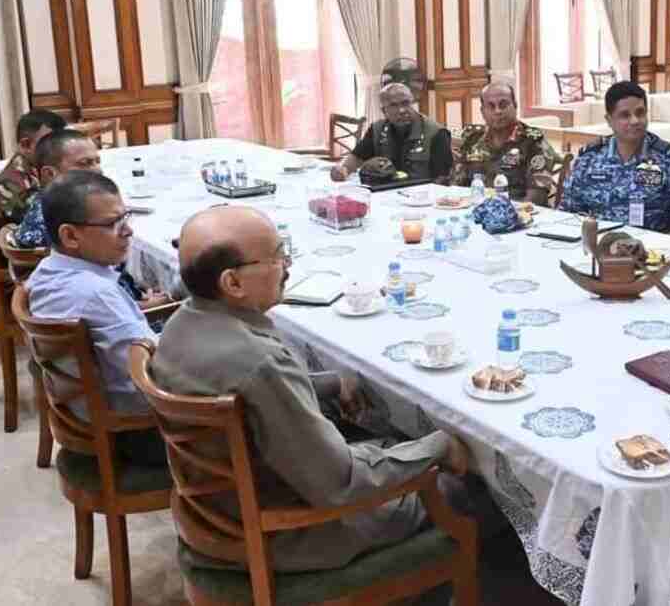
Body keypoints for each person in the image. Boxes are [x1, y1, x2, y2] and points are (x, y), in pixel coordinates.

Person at [152, 205, 477, 572]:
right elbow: (340, 483)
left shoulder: (180, 323)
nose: (287, 266)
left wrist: (330, 383)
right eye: (276, 257)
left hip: (215, 516)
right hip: (285, 533)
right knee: (466, 484)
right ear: (233, 283)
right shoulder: (259, 362)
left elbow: (253, 398)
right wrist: (439, 445)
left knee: (388, 444)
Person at [26, 170, 166, 465]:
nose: (127, 231)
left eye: (125, 217)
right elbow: (153, 374)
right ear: (70, 235)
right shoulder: (96, 293)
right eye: (113, 223)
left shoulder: (47, 271)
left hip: (87, 416)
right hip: (137, 431)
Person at [13, 129, 172, 309]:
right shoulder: (57, 223)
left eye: (97, 161)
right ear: (50, 174)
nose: (97, 170)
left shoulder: (51, 204)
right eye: (84, 164)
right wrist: (147, 305)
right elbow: (83, 302)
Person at [559, 81, 670, 237]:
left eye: (640, 113)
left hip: (650, 252)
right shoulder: (590, 158)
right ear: (609, 120)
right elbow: (568, 212)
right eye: (625, 115)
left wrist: (656, 250)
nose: (635, 121)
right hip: (598, 248)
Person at [449, 81, 558, 204]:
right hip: (474, 212)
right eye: (491, 106)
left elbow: (536, 198)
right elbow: (456, 187)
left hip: (518, 215)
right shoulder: (472, 139)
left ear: (515, 105)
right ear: (482, 111)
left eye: (503, 104)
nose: (497, 111)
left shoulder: (532, 141)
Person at [329, 83, 453, 183]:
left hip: (422, 198)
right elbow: (357, 156)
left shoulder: (436, 133)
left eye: (406, 103)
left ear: (413, 103)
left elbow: (442, 179)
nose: (402, 110)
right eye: (394, 105)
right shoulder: (377, 129)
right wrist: (343, 169)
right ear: (384, 111)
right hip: (385, 194)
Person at [0, 109, 67, 229]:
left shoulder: (39, 170)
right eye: (51, 143)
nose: (60, 150)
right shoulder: (7, 186)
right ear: (26, 145)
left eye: (61, 142)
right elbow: (50, 222)